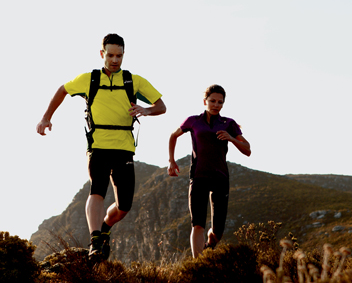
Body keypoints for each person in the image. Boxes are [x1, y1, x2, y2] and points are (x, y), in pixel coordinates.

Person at [36, 33, 166, 260]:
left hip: (124, 147)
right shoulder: (89, 79)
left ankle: (105, 228)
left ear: (124, 54)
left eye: (119, 55)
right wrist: (46, 117)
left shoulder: (133, 80)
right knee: (97, 188)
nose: (115, 60)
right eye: (111, 55)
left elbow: (161, 106)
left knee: (124, 206)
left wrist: (146, 110)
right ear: (102, 54)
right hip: (97, 144)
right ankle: (95, 241)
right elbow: (62, 90)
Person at [167, 85, 251, 258]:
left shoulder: (229, 124)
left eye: (220, 102)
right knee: (197, 224)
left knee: (217, 232)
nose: (216, 105)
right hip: (198, 177)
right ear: (205, 101)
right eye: (212, 101)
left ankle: (209, 245)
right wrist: (171, 161)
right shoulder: (193, 121)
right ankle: (197, 264)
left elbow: (248, 150)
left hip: (220, 178)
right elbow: (173, 136)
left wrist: (231, 138)